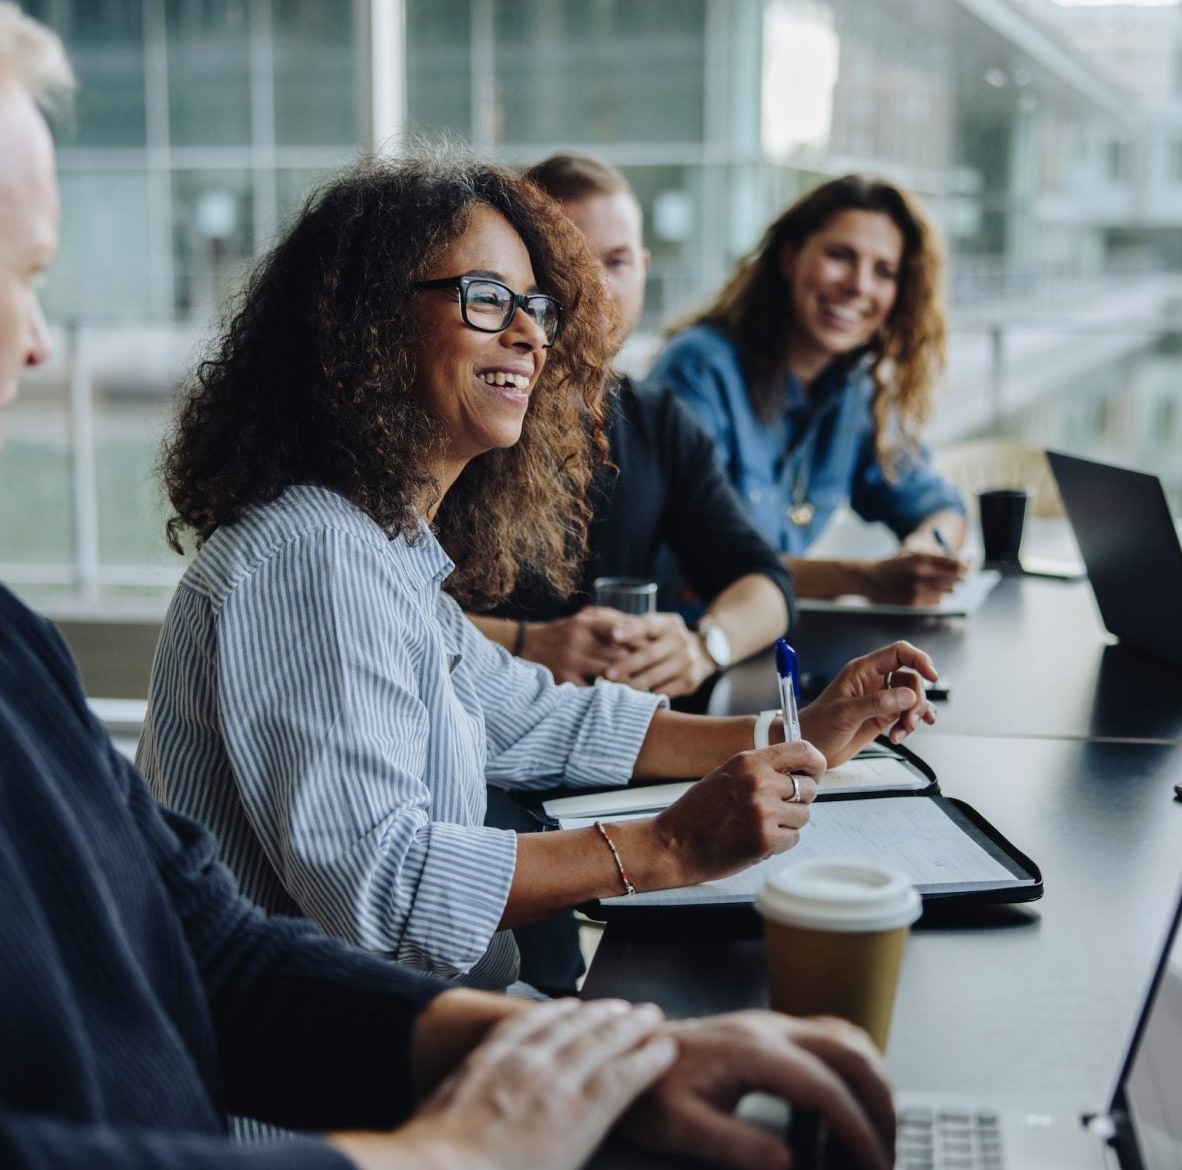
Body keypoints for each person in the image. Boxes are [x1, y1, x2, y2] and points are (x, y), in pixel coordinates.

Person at [0, 3, 900, 1170]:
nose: (36, 344)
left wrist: (584, 1060)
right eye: (31, 274)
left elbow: (212, 949)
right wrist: (456, 1162)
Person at [139, 151, 939, 996]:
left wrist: (795, 734)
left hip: (418, 1026)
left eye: (535, 306)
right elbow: (384, 894)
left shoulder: (380, 544)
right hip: (324, 1096)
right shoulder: (313, 556)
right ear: (365, 326)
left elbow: (543, 720)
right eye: (486, 299)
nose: (529, 333)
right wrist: (670, 845)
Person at [465, 154, 791, 701]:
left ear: (642, 268)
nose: (593, 289)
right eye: (565, 264)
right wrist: (527, 643)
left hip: (624, 744)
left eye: (614, 262)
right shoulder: (470, 412)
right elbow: (384, 605)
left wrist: (705, 645)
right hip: (484, 741)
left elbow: (766, 584)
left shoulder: (658, 421)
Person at [648, 175, 968, 605]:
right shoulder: (700, 369)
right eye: (840, 256)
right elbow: (692, 572)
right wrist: (867, 579)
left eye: (883, 271)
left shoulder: (855, 389)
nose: (859, 286)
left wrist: (927, 551)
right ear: (788, 258)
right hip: (685, 647)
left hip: (775, 641)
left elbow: (938, 504)